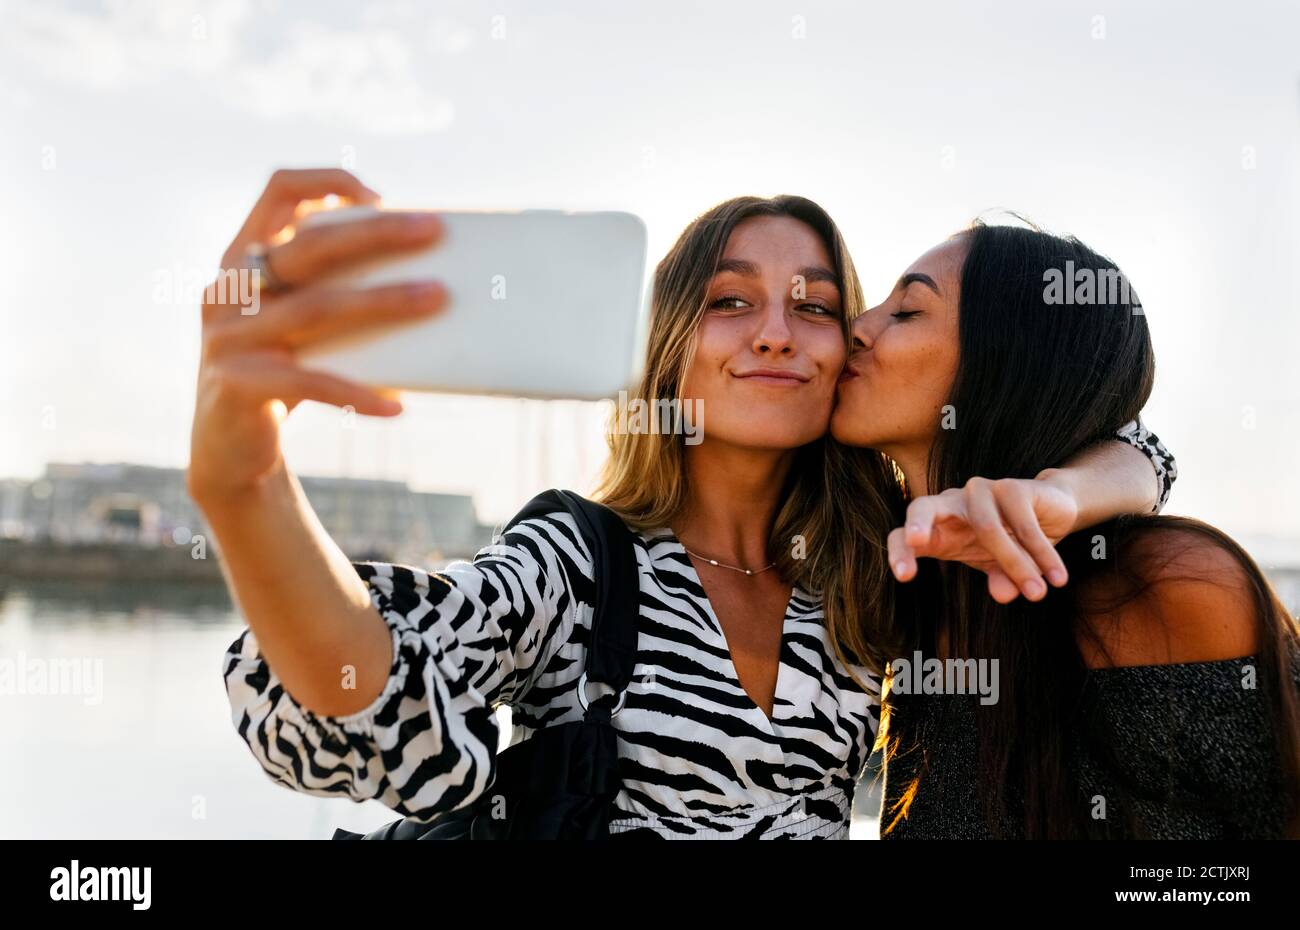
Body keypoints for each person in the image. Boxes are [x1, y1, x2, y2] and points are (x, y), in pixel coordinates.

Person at [195, 169, 1175, 838]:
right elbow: (371, 678)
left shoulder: (877, 575)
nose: (779, 333)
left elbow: (1141, 447)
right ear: (669, 346)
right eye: (731, 300)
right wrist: (243, 485)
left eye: (819, 305)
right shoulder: (583, 565)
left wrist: (1054, 499)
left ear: (845, 355)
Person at [829, 220, 1300, 838]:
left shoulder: (1163, 587)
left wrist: (1063, 495)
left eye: (908, 311)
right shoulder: (885, 584)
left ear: (1010, 365)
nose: (857, 328)